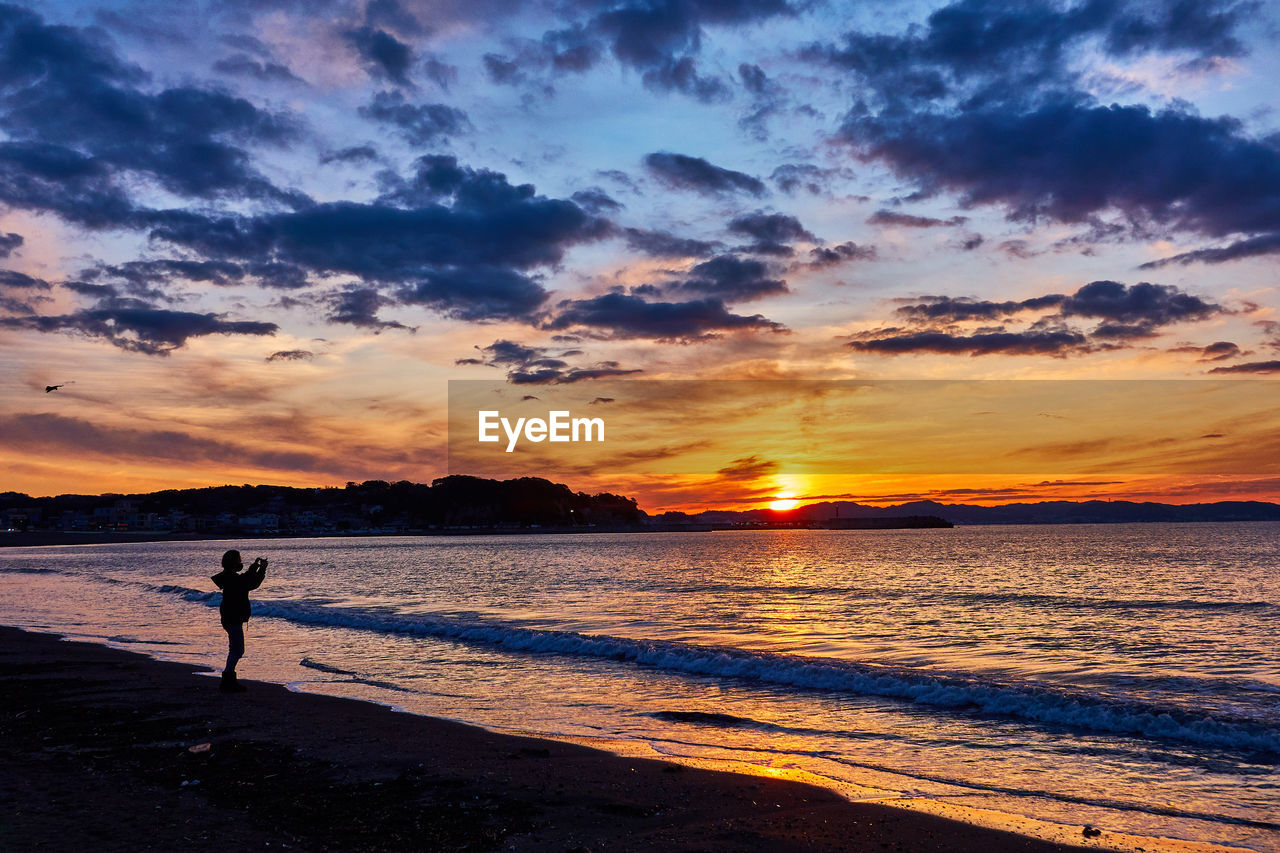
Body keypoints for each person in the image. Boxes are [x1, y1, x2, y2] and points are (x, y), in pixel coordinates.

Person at [211, 549, 267, 693]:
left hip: (229, 617)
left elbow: (246, 579)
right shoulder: (232, 578)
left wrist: (255, 568)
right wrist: (261, 569)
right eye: (239, 560)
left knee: (235, 649)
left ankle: (228, 680)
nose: (240, 562)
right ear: (234, 562)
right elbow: (251, 583)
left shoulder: (228, 577)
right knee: (237, 650)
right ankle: (228, 681)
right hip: (233, 617)